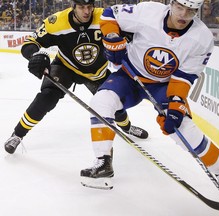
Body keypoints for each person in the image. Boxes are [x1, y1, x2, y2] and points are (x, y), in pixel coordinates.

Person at [80, 0, 219, 202]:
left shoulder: (202, 38)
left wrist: (175, 103)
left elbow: (185, 76)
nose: (183, 15)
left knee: (183, 127)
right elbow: (110, 14)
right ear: (171, 3)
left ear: (197, 11)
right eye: (180, 7)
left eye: (190, 11)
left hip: (164, 85)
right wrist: (112, 36)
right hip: (130, 76)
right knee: (101, 102)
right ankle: (103, 162)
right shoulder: (148, 12)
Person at [4, 0, 148, 155]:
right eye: (81, 7)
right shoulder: (57, 22)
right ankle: (17, 134)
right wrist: (35, 55)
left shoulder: (105, 17)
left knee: (114, 104)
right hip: (66, 67)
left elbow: (134, 34)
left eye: (89, 7)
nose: (86, 11)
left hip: (97, 71)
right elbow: (30, 43)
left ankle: (127, 127)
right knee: (46, 98)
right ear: (73, 7)